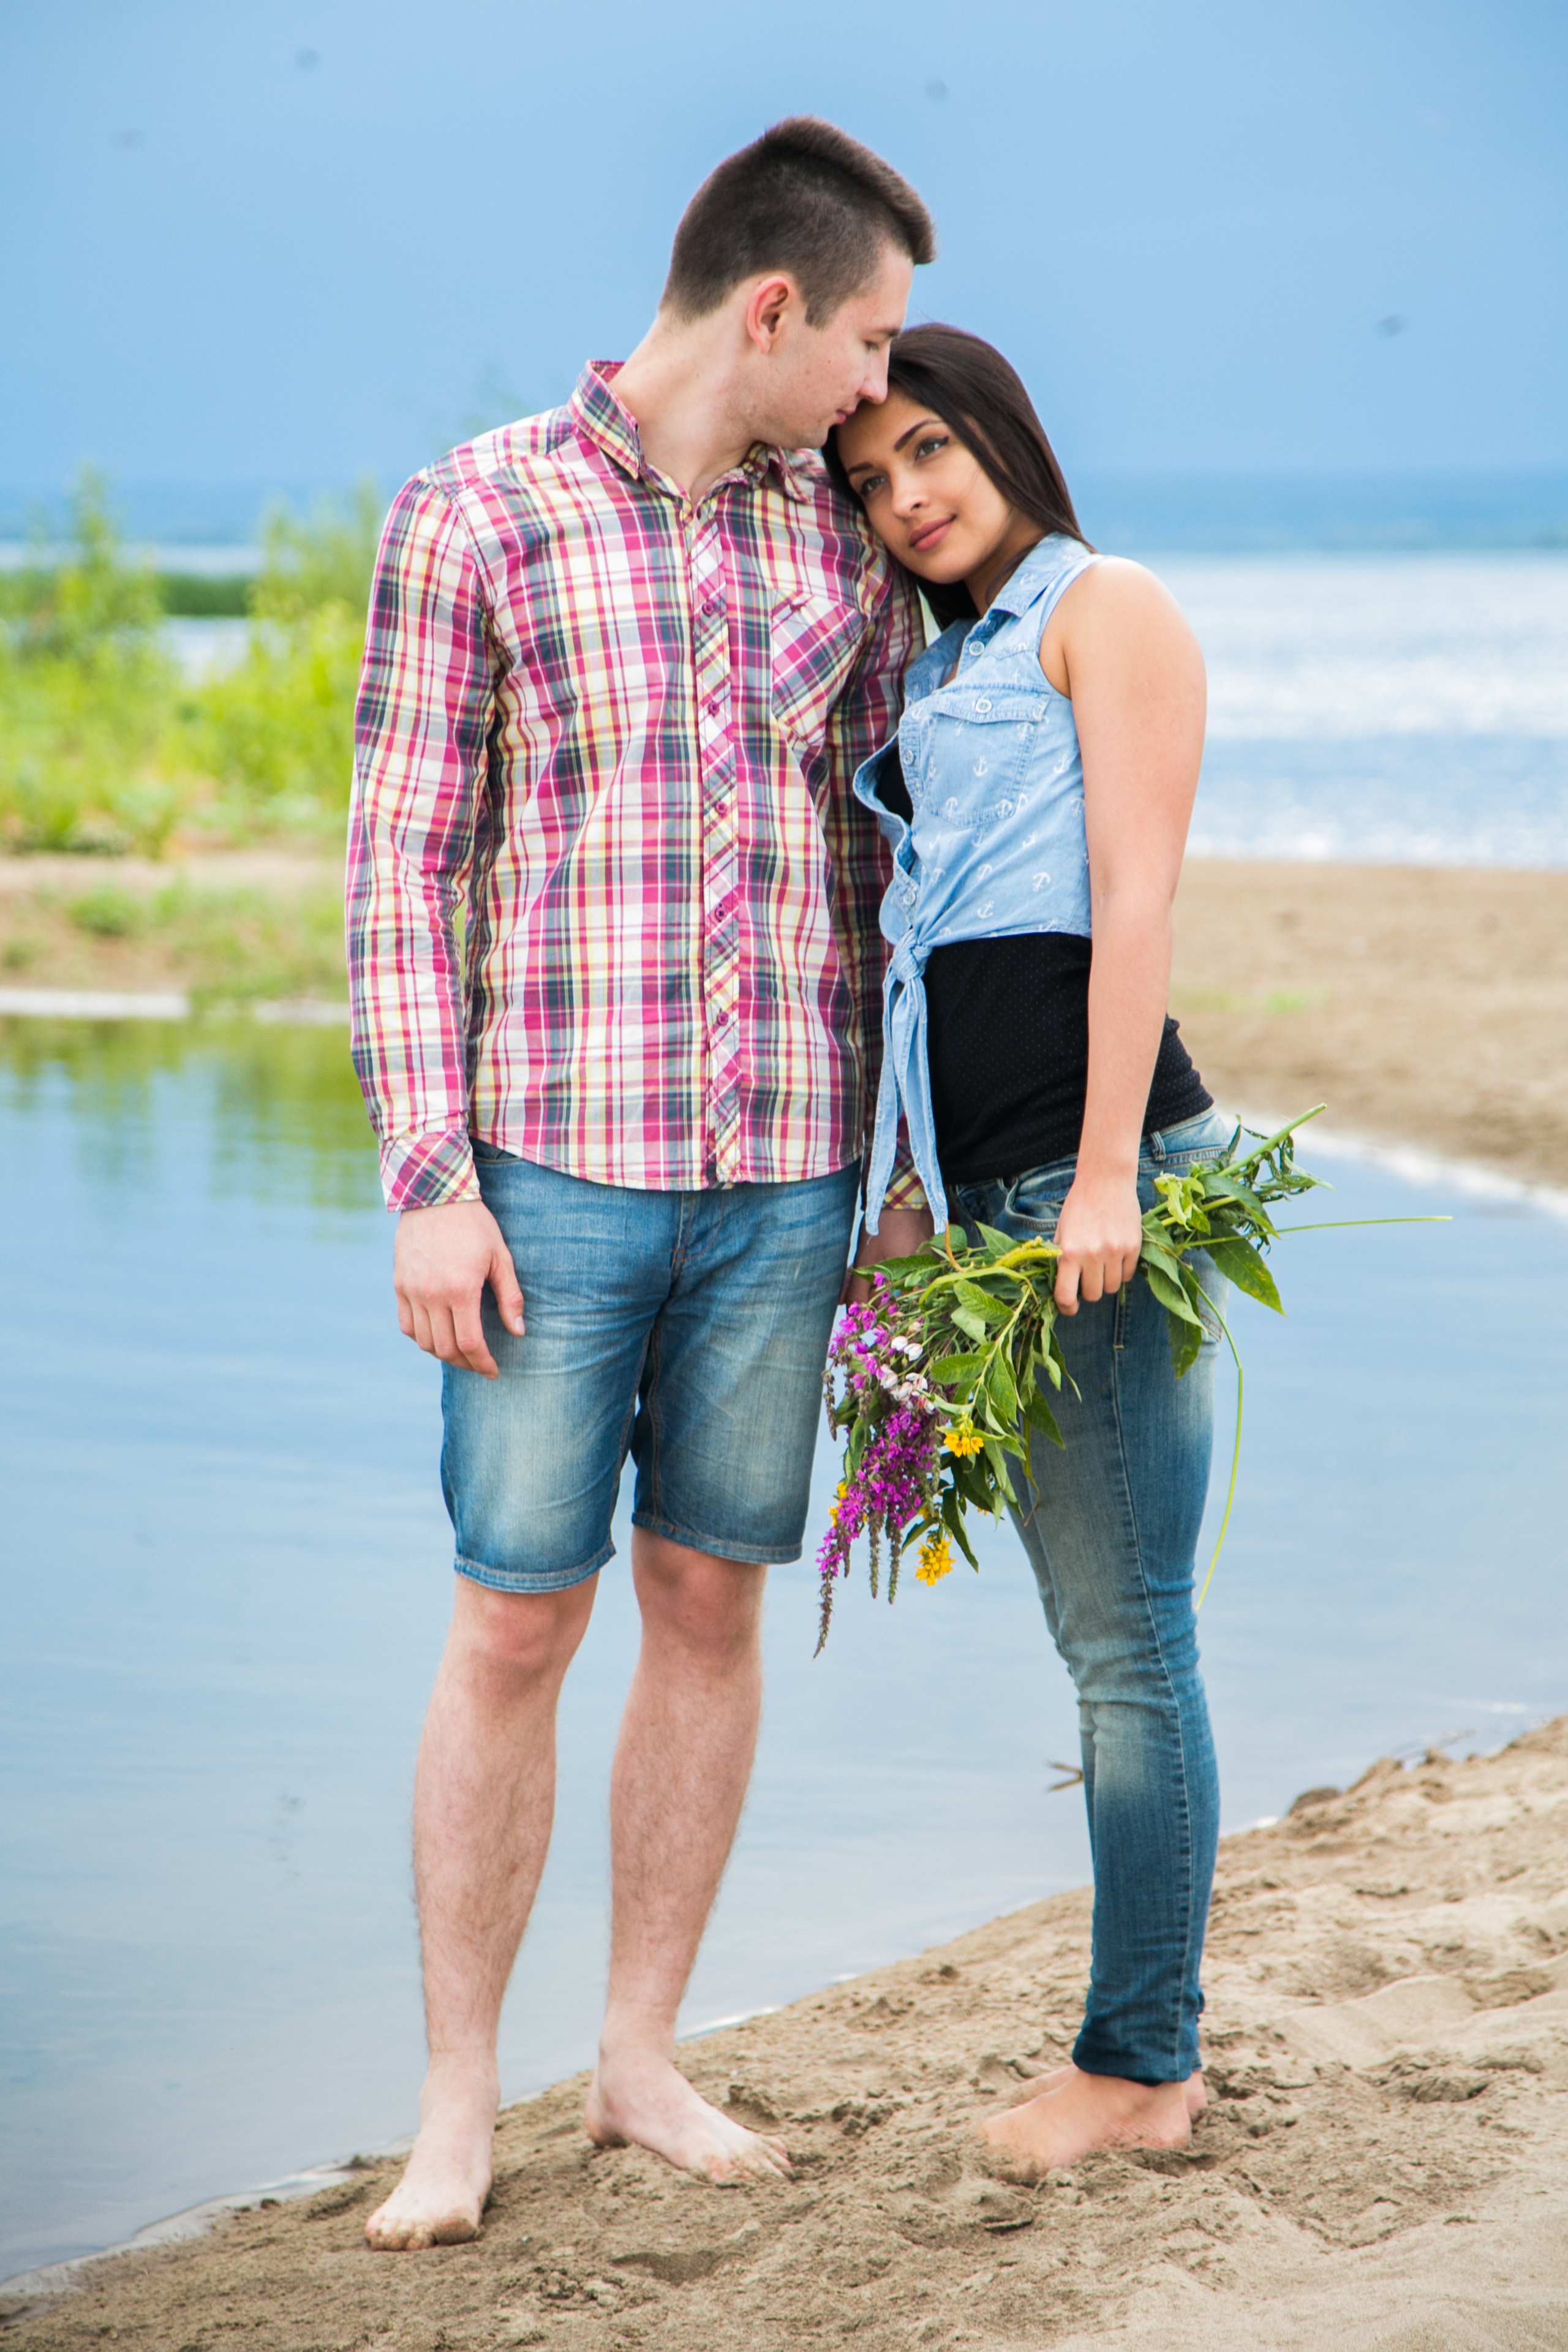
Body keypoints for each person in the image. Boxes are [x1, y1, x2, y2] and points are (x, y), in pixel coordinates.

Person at [347, 119, 936, 2248]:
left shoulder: (838, 544)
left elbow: (896, 858)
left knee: (710, 1601)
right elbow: (403, 863)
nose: (882, 389)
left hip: (785, 1177)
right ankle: (451, 2105)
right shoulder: (474, 510)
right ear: (771, 310)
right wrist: (429, 1172)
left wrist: (898, 1175)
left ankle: (639, 2057)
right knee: (516, 1620)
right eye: (866, 341)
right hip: (548, 1180)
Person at [831, 324, 1227, 2176]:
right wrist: (909, 1203)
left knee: (1131, 1641)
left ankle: (1142, 2073)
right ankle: (1140, 2056)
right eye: (867, 479)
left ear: (996, 432)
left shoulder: (1102, 603)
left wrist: (1100, 1179)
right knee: (1105, 1635)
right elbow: (928, 958)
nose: (906, 496)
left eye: (926, 449)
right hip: (983, 1201)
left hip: (1095, 1183)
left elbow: (1132, 891)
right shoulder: (948, 660)